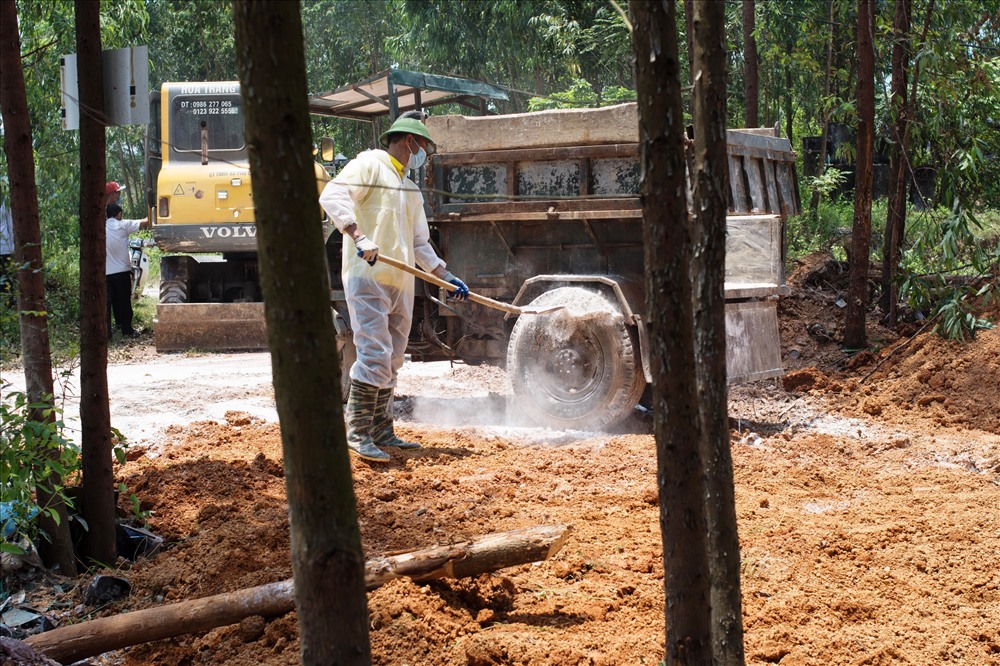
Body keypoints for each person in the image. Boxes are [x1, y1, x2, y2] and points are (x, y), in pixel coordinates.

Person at [319, 116, 469, 462]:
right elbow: (333, 194)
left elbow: (419, 243)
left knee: (393, 357)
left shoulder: (410, 189)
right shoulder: (369, 165)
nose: (423, 156)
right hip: (367, 276)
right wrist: (358, 235)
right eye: (423, 149)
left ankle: (383, 429)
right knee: (373, 353)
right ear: (409, 142)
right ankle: (357, 433)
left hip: (400, 282)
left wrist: (444, 274)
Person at [105, 203, 149, 339]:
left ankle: (107, 333)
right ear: (119, 214)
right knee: (124, 302)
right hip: (121, 272)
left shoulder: (101, 227)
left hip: (105, 273)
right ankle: (127, 330)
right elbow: (146, 222)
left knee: (107, 304)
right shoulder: (123, 225)